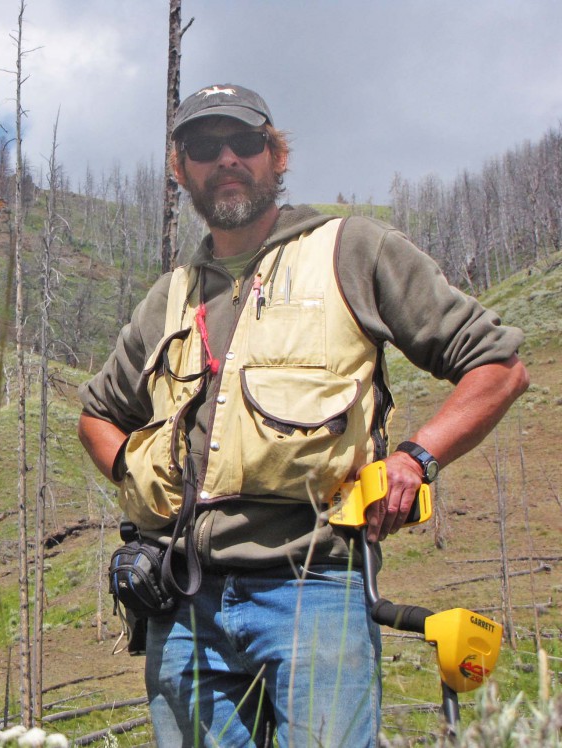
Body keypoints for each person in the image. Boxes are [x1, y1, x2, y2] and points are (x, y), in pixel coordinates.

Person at [78, 83, 529, 747]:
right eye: (205, 146)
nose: (226, 157)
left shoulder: (352, 250)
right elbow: (96, 413)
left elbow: (499, 366)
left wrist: (416, 457)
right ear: (180, 170)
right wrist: (135, 472)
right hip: (184, 608)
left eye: (245, 142)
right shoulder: (168, 297)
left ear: (275, 155)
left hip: (316, 588)